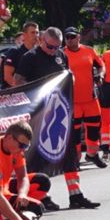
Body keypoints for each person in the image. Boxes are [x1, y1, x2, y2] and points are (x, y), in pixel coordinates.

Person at [13, 27, 98, 210]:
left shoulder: (61, 55)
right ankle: (40, 196)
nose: (53, 51)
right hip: (40, 114)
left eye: (57, 47)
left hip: (60, 112)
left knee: (69, 154)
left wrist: (71, 81)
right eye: (50, 47)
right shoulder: (30, 57)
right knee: (38, 157)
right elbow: (17, 81)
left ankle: (76, 195)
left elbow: (67, 76)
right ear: (42, 40)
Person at [62, 28, 105, 167]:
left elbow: (101, 66)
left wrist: (101, 75)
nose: (69, 39)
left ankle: (92, 155)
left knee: (94, 129)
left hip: (90, 100)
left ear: (78, 37)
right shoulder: (62, 54)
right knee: (74, 134)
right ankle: (75, 159)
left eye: (72, 37)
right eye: (67, 37)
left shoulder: (89, 51)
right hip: (72, 102)